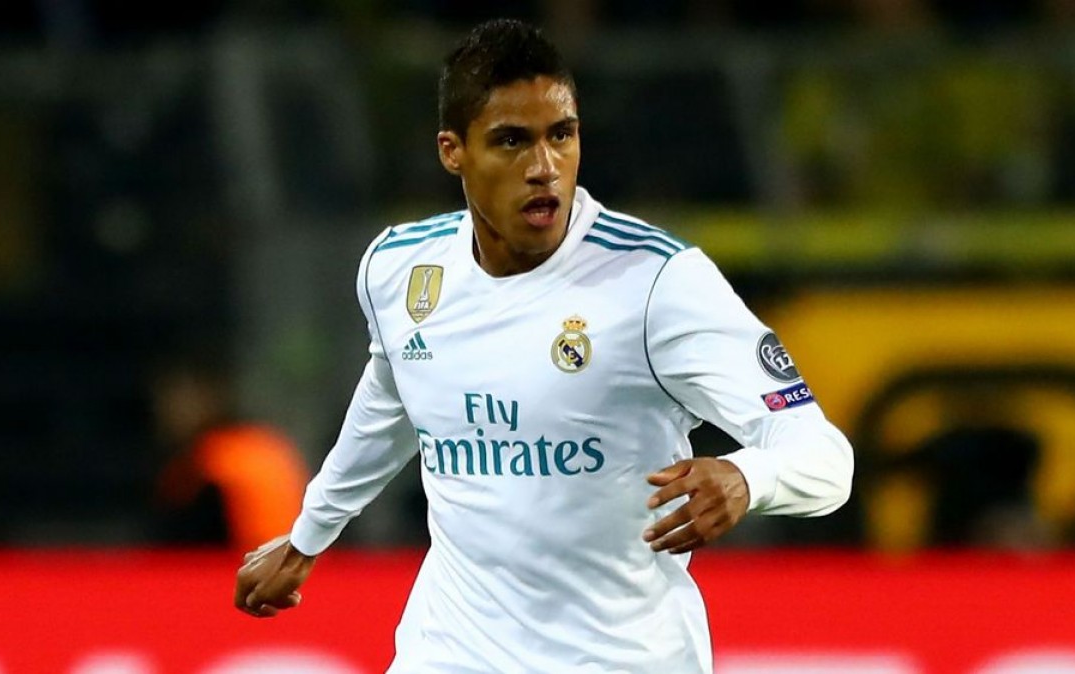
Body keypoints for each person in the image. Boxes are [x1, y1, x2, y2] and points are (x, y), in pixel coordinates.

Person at [234, 18, 853, 673]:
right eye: (512, 141)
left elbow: (826, 459)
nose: (543, 167)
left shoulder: (656, 283)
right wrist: (308, 536)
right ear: (452, 151)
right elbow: (392, 404)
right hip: (453, 651)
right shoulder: (401, 269)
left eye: (562, 135)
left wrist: (749, 477)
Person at [148, 345, 309, 551]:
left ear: (210, 394)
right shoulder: (261, 445)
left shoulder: (224, 461)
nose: (169, 409)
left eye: (180, 395)